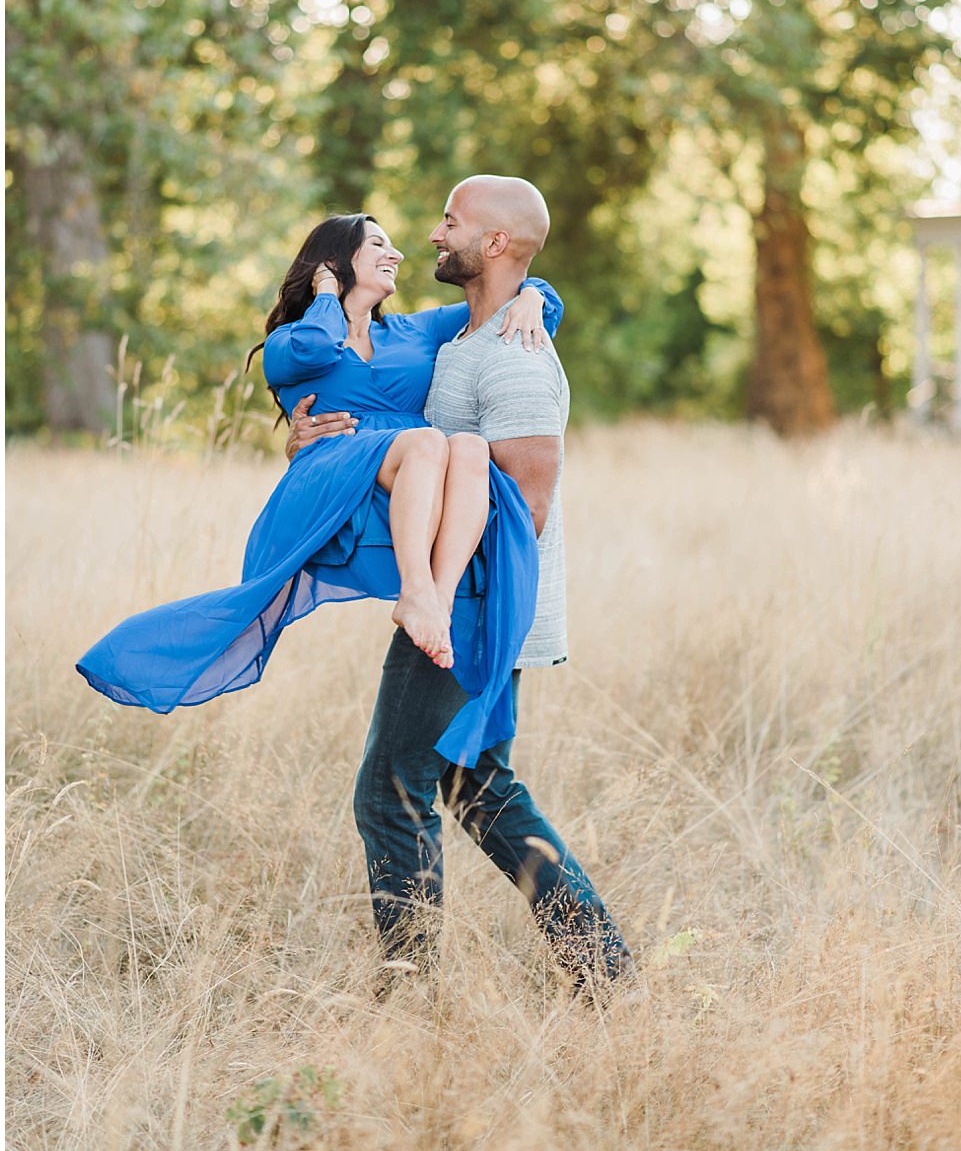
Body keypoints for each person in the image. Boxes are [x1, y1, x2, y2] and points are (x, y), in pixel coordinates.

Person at [286, 174, 636, 997]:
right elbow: (380, 425)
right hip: (458, 602)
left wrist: (441, 599)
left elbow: (530, 507)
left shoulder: (515, 358)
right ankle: (606, 969)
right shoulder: (461, 342)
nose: (435, 236)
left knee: (388, 790)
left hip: (473, 607)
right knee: (476, 787)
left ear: (497, 244)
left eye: (452, 222)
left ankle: (407, 991)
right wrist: (313, 439)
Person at [76, 210, 562, 768]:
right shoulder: (291, 340)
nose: (399, 253)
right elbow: (311, 348)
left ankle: (435, 597)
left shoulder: (413, 330)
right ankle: (416, 591)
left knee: (471, 449)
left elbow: (507, 293)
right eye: (379, 243)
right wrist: (330, 294)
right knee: (430, 442)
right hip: (335, 471)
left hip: (407, 476)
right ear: (336, 261)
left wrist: (532, 299)